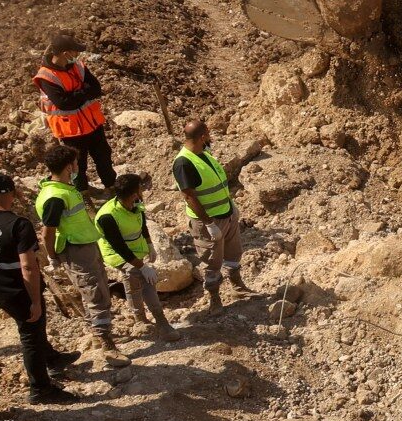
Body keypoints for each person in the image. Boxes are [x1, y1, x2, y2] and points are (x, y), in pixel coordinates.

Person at [0, 173, 78, 405]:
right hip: (16, 288)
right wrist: (35, 300)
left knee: (32, 331)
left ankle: (52, 358)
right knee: (31, 333)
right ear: (14, 195)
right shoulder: (18, 224)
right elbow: (28, 266)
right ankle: (41, 388)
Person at [37, 146, 126, 365]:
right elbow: (47, 232)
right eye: (76, 163)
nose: (79, 167)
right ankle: (108, 346)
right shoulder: (55, 196)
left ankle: (98, 335)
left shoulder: (64, 188)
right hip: (76, 250)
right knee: (95, 294)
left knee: (96, 289)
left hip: (86, 244)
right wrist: (52, 258)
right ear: (69, 166)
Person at [174, 119, 254, 311]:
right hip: (209, 222)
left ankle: (238, 287)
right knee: (211, 262)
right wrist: (209, 223)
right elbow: (189, 197)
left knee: (233, 254)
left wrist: (231, 206)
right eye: (208, 135)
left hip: (226, 214)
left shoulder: (203, 155)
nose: (210, 138)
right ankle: (214, 299)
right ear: (202, 137)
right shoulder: (184, 162)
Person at [97, 174, 180, 340]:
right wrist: (142, 266)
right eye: (140, 188)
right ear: (134, 193)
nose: (143, 191)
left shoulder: (135, 203)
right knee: (139, 277)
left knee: (139, 280)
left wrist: (149, 245)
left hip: (135, 250)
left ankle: (147, 319)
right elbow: (119, 246)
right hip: (116, 253)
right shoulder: (108, 216)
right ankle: (155, 321)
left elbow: (142, 224)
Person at [33, 34, 118, 193]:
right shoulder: (47, 76)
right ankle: (83, 194)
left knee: (104, 157)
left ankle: (111, 187)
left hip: (93, 124)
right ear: (66, 54)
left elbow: (96, 88)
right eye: (75, 51)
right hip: (71, 130)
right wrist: (83, 92)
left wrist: (75, 95)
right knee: (78, 165)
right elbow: (63, 103)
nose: (77, 55)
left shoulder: (78, 66)